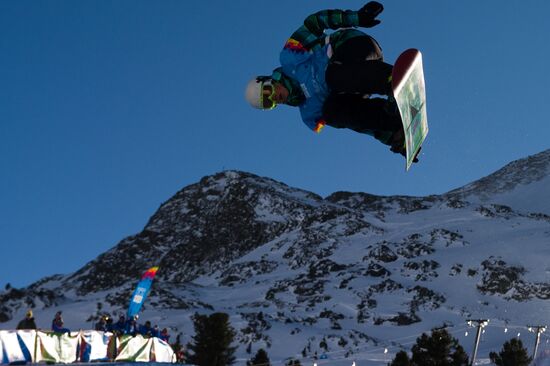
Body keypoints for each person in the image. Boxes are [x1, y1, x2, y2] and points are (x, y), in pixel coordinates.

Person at [245, 2, 414, 161]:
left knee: (332, 77)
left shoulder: (290, 58)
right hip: (359, 81)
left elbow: (315, 23)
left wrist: (355, 18)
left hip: (353, 46)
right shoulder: (309, 112)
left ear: (270, 80)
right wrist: (391, 138)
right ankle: (395, 124)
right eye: (268, 103)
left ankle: (391, 81)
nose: (274, 98)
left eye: (268, 92)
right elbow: (354, 122)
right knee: (332, 113)